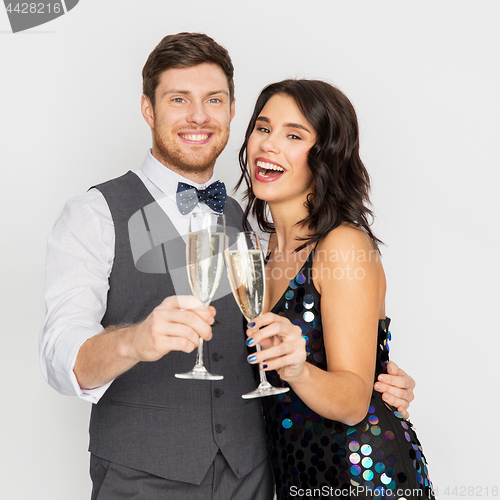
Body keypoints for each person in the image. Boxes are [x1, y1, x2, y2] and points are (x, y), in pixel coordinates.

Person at [39, 33, 416, 500]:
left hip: (259, 478)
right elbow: (61, 356)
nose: (198, 116)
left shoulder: (254, 229)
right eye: (179, 99)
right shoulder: (94, 214)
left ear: (231, 112)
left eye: (213, 99)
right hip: (141, 481)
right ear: (148, 109)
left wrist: (377, 382)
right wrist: (135, 341)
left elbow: (327, 343)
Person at [236, 79, 434, 499]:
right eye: (263, 127)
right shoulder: (258, 248)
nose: (269, 145)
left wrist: (297, 370)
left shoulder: (343, 245)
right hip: (295, 474)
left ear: (325, 154)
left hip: (362, 473)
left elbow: (352, 400)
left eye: (294, 135)